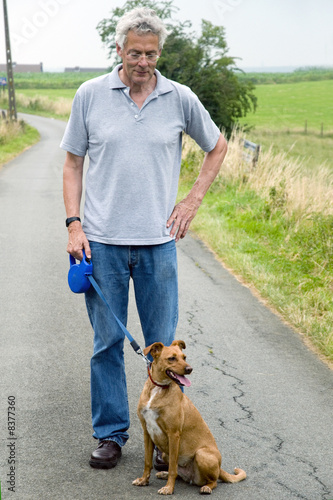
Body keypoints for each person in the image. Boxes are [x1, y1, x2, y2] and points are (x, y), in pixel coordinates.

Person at [61, 6, 227, 470]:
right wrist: (74, 223)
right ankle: (111, 435)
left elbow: (217, 146)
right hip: (103, 243)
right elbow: (72, 163)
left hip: (159, 245)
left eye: (152, 54)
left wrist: (192, 199)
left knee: (164, 348)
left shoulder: (179, 98)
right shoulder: (90, 94)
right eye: (135, 53)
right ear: (119, 50)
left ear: (159, 53)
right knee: (107, 344)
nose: (143, 62)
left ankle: (164, 438)